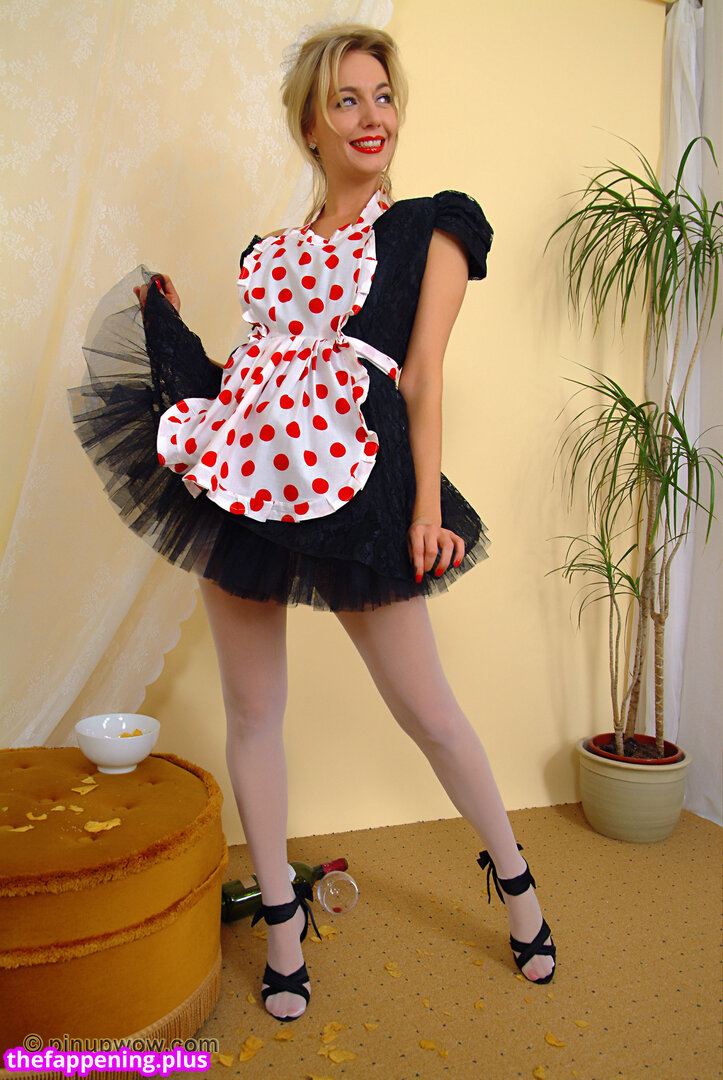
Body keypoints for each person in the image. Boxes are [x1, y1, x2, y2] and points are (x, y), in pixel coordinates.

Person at [70, 24, 556, 1023]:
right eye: (346, 100)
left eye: (383, 96)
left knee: (428, 712)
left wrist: (425, 512)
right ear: (309, 124)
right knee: (254, 713)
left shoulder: (428, 228)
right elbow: (255, 386)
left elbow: (422, 378)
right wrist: (172, 332)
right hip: (248, 481)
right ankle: (283, 923)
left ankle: (515, 881)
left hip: (362, 485)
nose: (372, 117)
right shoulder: (271, 255)